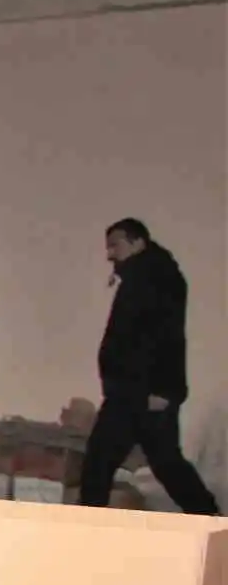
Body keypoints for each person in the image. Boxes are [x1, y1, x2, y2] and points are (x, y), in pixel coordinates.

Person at [79, 218, 218, 515]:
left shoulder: (156, 278)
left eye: (115, 245)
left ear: (137, 242)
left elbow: (166, 338)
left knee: (105, 462)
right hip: (134, 391)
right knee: (157, 462)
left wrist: (163, 390)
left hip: (143, 393)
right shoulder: (145, 276)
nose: (109, 254)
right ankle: (211, 518)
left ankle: (86, 528)